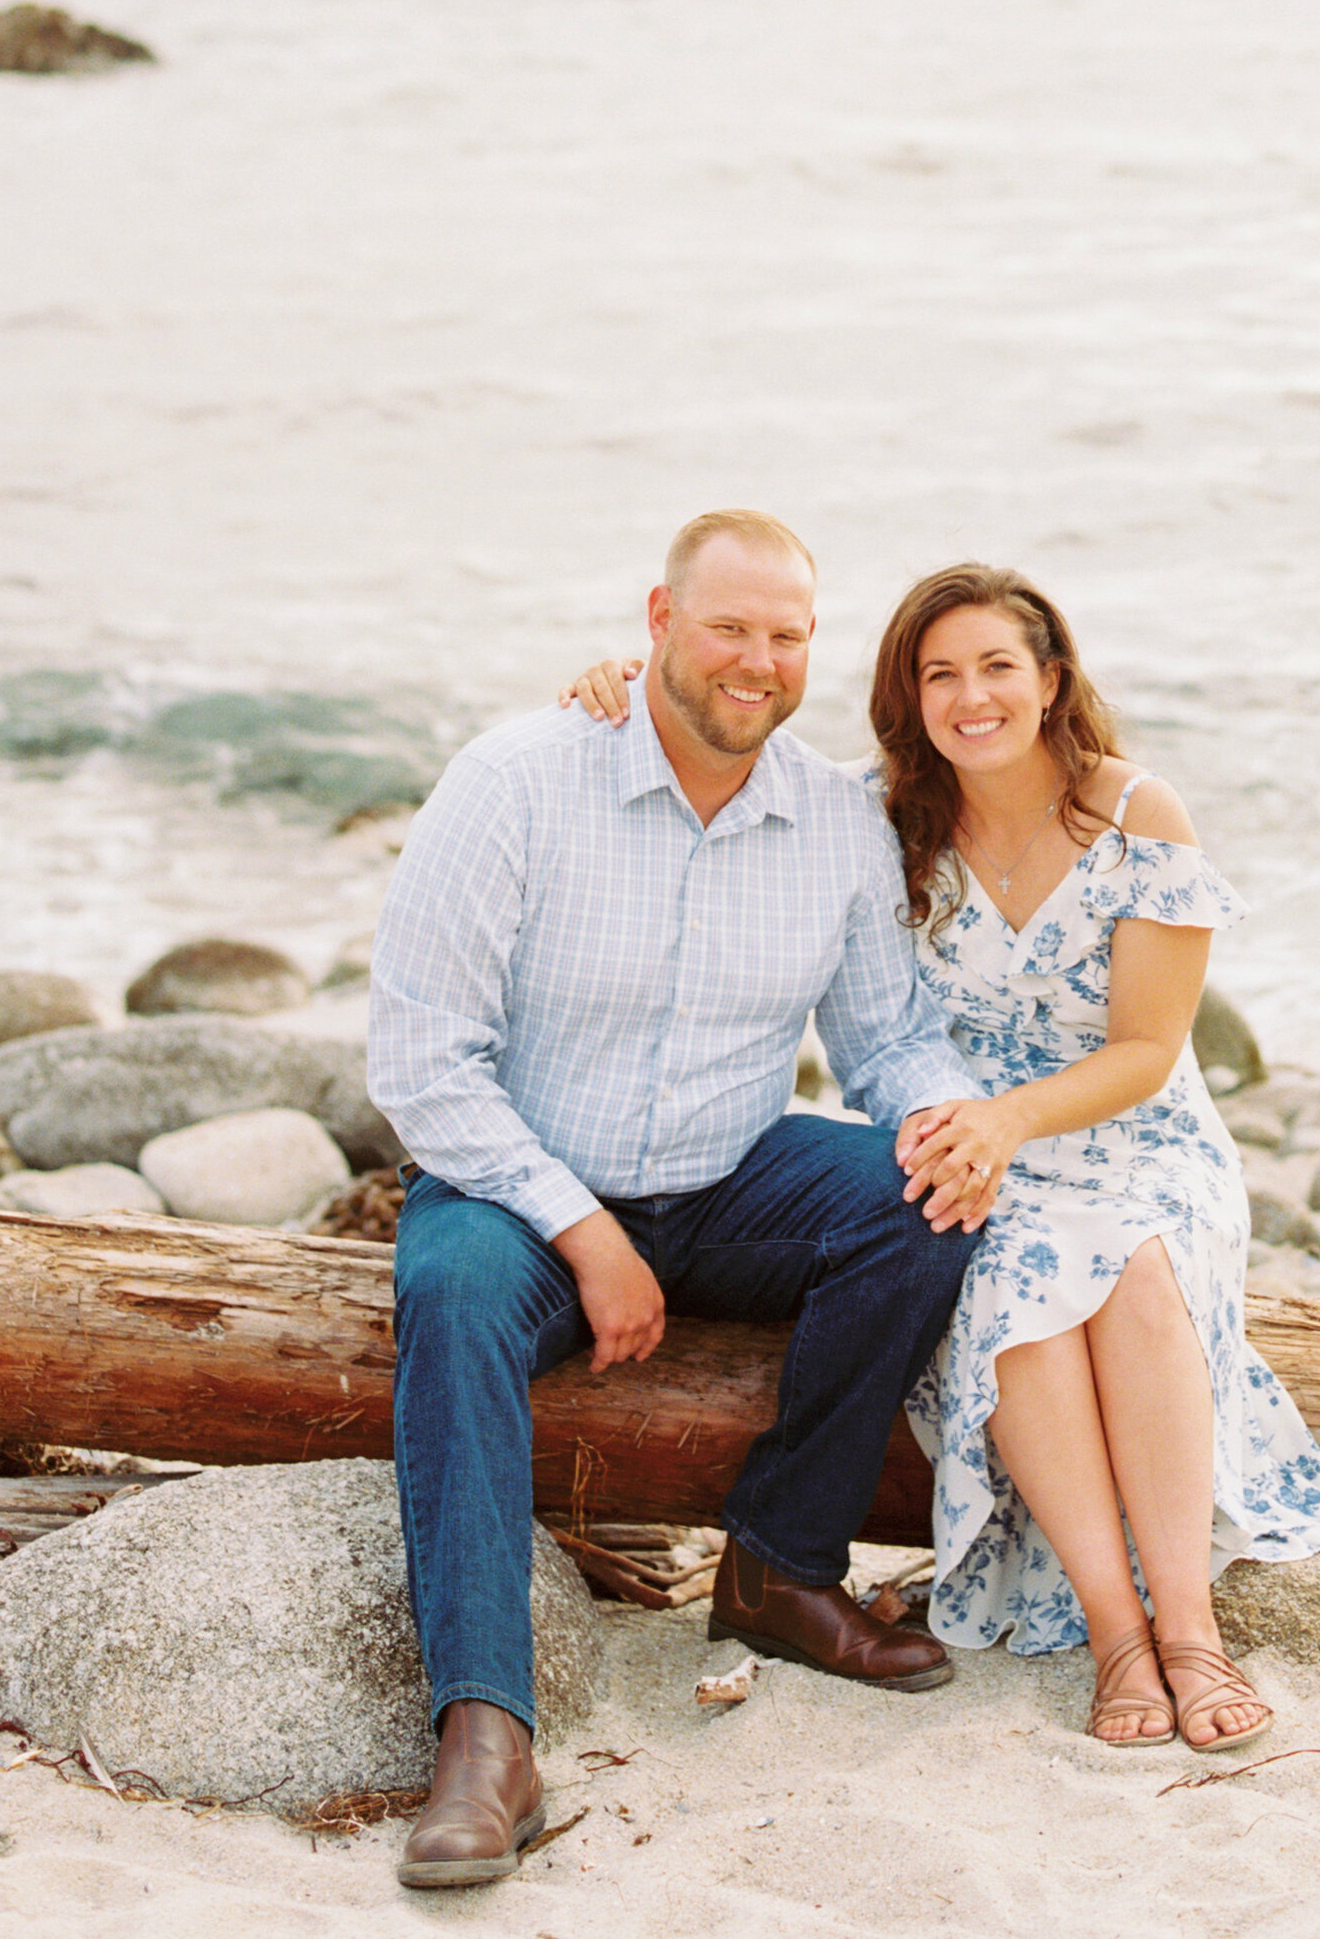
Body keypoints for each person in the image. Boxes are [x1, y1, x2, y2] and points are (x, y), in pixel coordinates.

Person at [566, 558, 1320, 1754]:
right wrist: (631, 690)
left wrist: (1009, 1121)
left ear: (1049, 680)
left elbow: (1150, 1049)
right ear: (909, 696)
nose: (970, 696)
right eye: (938, 674)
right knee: (1014, 1288)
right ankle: (1116, 1637)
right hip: (957, 1132)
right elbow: (728, 759)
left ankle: (1192, 1637)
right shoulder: (877, 809)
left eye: (997, 666)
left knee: (1139, 1271)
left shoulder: (1135, 814)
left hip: (1131, 1134)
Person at [369, 511, 989, 1893]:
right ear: (659, 621)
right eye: (728, 627)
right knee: (451, 1294)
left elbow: (885, 1041)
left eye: (786, 636)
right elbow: (422, 1062)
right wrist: (579, 1228)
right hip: (516, 1187)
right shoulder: (516, 781)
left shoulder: (835, 819)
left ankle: (779, 1570)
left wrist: (956, 1121)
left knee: (920, 1203)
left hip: (727, 1178)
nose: (756, 661)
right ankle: (486, 1731)